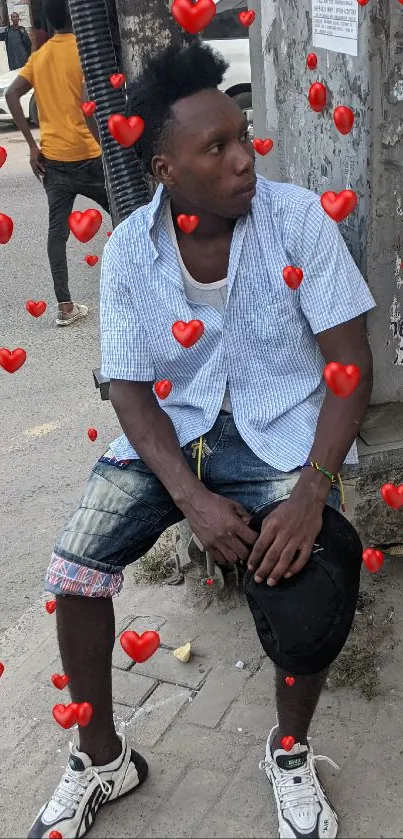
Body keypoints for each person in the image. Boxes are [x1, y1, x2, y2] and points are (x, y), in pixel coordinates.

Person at [28, 40, 376, 839]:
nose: (242, 159)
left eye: (242, 135)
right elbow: (126, 386)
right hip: (170, 434)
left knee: (311, 585)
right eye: (214, 148)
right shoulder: (127, 252)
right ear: (165, 172)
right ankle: (102, 756)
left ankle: (288, 750)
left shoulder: (298, 222)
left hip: (278, 431)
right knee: (76, 569)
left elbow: (348, 365)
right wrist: (190, 499)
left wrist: (310, 492)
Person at [5, 0, 109, 327]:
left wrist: (32, 146)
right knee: (126, 219)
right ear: (79, 17)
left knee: (57, 235)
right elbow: (90, 105)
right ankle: (138, 289)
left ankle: (65, 306)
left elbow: (11, 96)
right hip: (90, 157)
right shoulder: (86, 52)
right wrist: (107, 148)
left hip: (53, 161)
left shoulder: (41, 56)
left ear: (48, 23)